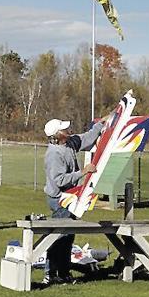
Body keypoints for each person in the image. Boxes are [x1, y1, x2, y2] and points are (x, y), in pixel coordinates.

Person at [42, 117, 105, 284]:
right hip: (59, 199)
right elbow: (60, 180)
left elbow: (86, 138)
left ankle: (62, 273)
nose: (68, 130)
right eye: (64, 129)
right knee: (59, 237)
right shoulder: (54, 154)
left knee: (68, 237)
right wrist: (83, 172)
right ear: (57, 135)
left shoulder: (69, 143)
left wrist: (101, 123)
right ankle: (51, 274)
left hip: (69, 197)